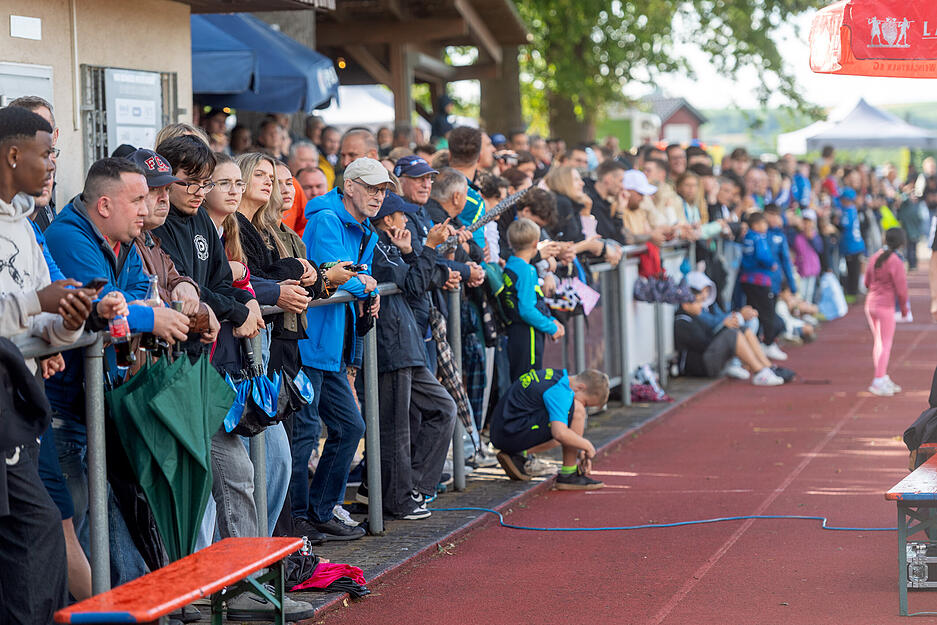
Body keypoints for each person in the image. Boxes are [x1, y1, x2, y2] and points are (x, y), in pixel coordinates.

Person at [293, 157, 390, 541]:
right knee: (304, 434)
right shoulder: (326, 220)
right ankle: (297, 519)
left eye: (382, 190)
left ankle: (321, 510)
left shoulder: (363, 228)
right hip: (309, 344)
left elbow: (355, 278)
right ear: (349, 186)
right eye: (371, 188)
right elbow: (331, 275)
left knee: (350, 427)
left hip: (332, 346)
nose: (378, 197)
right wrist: (366, 286)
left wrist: (367, 287)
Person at [368, 193, 457, 519]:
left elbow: (428, 279)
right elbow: (417, 283)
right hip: (392, 343)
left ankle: (415, 486)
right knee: (396, 428)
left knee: (444, 408)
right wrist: (429, 246)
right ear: (388, 220)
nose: (406, 220)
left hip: (408, 343)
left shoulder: (395, 245)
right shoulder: (377, 245)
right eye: (401, 215)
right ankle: (398, 498)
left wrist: (411, 250)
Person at [491, 368, 609, 490]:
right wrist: (587, 445)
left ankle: (518, 454)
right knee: (576, 411)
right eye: (586, 403)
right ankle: (569, 474)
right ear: (580, 387)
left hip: (504, 430)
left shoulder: (556, 377)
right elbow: (560, 434)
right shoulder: (560, 391)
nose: (584, 406)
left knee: (564, 428)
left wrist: (578, 448)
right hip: (509, 434)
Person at [674, 284, 785, 386]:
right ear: (685, 304)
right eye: (697, 302)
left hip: (707, 361)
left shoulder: (693, 318)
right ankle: (759, 372)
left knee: (742, 329)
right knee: (731, 334)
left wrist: (724, 327)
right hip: (700, 368)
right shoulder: (682, 322)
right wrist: (724, 327)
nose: (701, 306)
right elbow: (705, 344)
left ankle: (768, 367)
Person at [500, 218, 565, 380]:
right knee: (527, 380)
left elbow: (534, 302)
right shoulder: (527, 270)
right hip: (527, 334)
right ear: (536, 243)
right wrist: (551, 328)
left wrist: (551, 319)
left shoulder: (511, 264)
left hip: (516, 332)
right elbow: (527, 310)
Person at [865, 228, 909, 397]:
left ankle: (881, 376)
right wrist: (904, 310)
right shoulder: (896, 261)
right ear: (901, 243)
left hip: (871, 304)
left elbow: (867, 281)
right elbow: (901, 289)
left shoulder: (874, 257)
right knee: (886, 344)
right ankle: (878, 379)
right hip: (885, 306)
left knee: (878, 342)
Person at [739, 212, 786, 361]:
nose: (766, 226)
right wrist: (771, 264)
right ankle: (768, 343)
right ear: (756, 225)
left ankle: (752, 344)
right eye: (763, 223)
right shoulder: (758, 237)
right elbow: (762, 255)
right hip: (759, 280)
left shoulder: (747, 237)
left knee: (753, 311)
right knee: (767, 313)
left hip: (747, 279)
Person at [838, 188, 866, 299]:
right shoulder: (853, 209)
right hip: (856, 244)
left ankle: (852, 293)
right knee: (854, 270)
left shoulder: (847, 211)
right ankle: (854, 292)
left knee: (852, 271)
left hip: (851, 246)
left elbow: (844, 225)